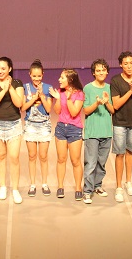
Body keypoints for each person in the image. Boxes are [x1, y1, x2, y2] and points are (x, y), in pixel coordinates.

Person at [0, 56, 25, 203]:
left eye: (3, 68)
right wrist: (3, 91)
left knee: (14, 157)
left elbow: (19, 103)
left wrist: (10, 88)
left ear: (10, 69)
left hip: (13, 124)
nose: (0, 71)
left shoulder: (17, 83)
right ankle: (3, 186)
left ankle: (15, 189)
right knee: (1, 156)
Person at [110, 51, 132, 203]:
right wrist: (130, 90)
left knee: (130, 151)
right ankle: (118, 186)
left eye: (131, 63)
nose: (129, 66)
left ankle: (128, 182)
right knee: (120, 153)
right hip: (119, 122)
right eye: (126, 63)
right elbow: (116, 105)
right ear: (120, 65)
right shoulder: (116, 81)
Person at [81, 59, 115, 204]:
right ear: (93, 73)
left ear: (107, 71)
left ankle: (98, 185)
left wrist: (106, 102)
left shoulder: (109, 88)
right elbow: (86, 110)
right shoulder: (88, 88)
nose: (101, 73)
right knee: (91, 163)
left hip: (106, 131)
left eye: (103, 70)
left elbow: (113, 110)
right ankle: (87, 191)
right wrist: (97, 103)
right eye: (98, 70)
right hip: (92, 133)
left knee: (101, 162)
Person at [49, 69, 85, 201]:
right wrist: (58, 99)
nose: (59, 79)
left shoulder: (79, 94)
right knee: (61, 159)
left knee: (75, 161)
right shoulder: (60, 92)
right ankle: (60, 187)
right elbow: (57, 111)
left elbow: (75, 112)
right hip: (61, 129)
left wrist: (69, 99)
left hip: (74, 129)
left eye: (62, 77)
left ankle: (78, 188)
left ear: (70, 80)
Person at [21, 59, 53, 197]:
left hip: (44, 125)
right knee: (32, 156)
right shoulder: (25, 87)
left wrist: (42, 96)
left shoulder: (48, 88)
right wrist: (33, 99)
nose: (37, 79)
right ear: (30, 75)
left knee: (43, 156)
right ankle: (33, 184)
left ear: (43, 75)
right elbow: (23, 108)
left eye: (39, 76)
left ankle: (44, 183)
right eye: (34, 76)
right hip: (30, 125)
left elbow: (48, 109)